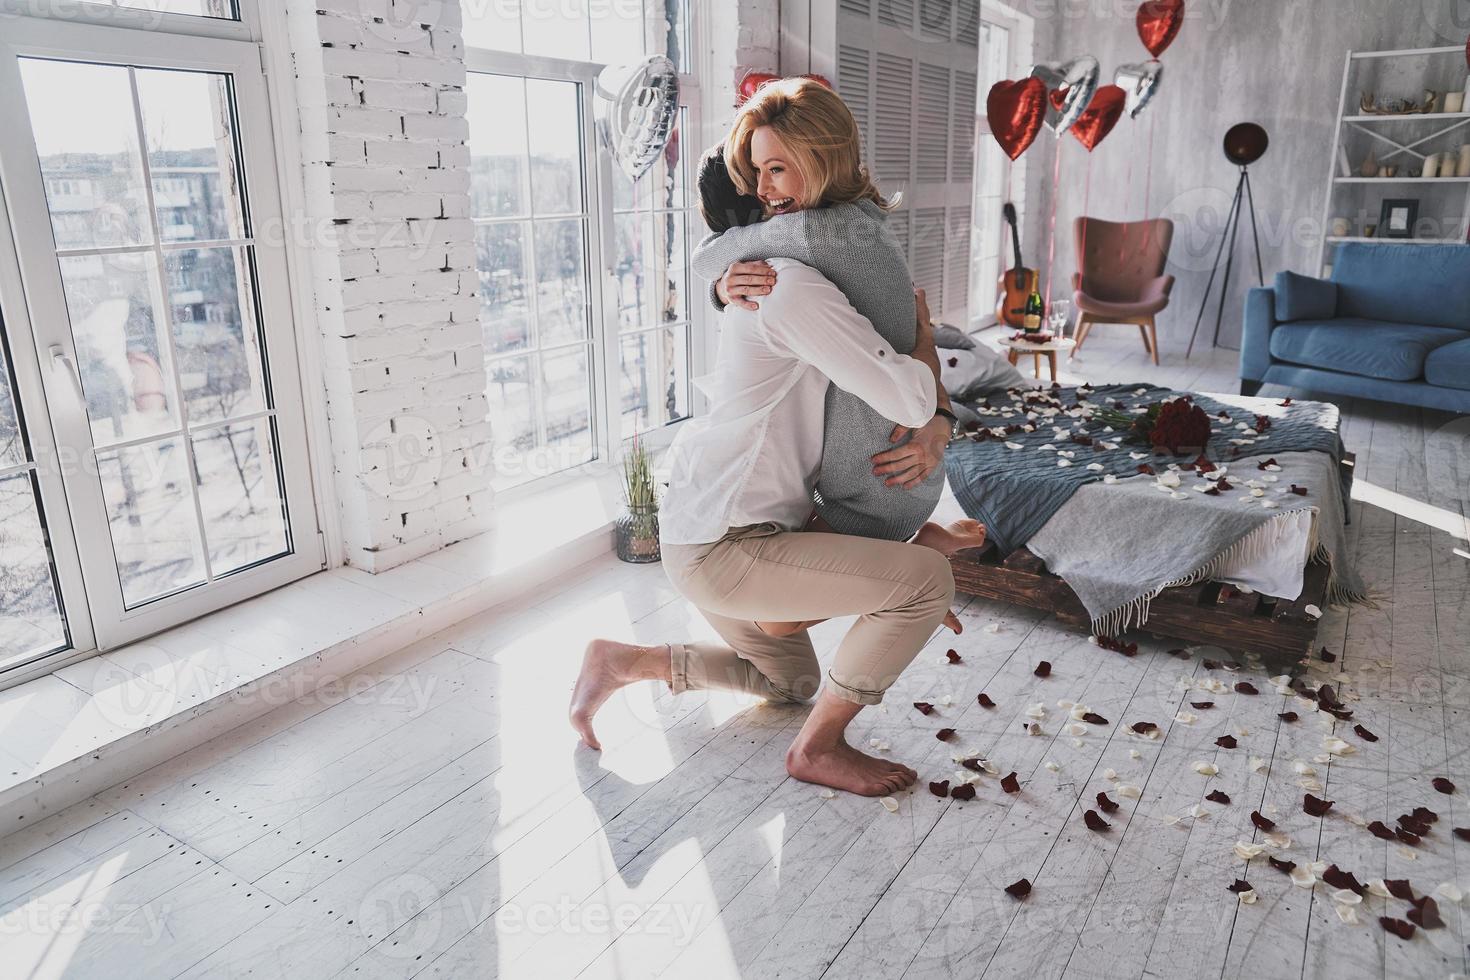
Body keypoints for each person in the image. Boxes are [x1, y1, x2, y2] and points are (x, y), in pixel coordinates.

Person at [569, 138, 957, 798]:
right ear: (767, 207)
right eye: (772, 175)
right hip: (726, 543)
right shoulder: (786, 283)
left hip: (710, 523)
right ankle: (819, 748)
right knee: (924, 583)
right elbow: (909, 394)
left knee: (793, 683)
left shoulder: (773, 278)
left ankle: (627, 661)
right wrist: (923, 340)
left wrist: (938, 425)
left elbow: (895, 397)